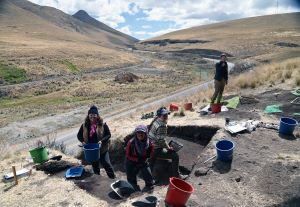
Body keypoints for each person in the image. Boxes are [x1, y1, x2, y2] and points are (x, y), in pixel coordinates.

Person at [148, 107, 185, 179]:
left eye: (166, 114)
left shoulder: (156, 121)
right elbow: (161, 140)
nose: (166, 116)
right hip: (156, 149)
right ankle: (177, 176)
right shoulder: (162, 125)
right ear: (159, 116)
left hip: (150, 147)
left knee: (151, 163)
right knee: (175, 156)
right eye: (164, 115)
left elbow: (158, 138)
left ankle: (149, 179)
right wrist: (168, 147)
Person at [82, 105, 116, 179]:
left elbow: (108, 135)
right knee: (95, 165)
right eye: (91, 115)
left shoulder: (103, 125)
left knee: (106, 163)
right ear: (88, 115)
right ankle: (98, 180)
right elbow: (79, 135)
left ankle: (113, 178)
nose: (92, 116)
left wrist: (102, 141)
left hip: (102, 148)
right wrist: (82, 141)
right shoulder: (84, 125)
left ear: (97, 115)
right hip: (92, 150)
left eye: (94, 115)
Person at [125, 125, 154, 192]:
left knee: (146, 171)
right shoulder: (131, 143)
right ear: (136, 133)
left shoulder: (150, 144)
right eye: (138, 132)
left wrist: (145, 160)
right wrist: (137, 160)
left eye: (142, 133)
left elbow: (150, 155)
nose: (140, 134)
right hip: (131, 160)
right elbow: (127, 155)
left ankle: (149, 185)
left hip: (142, 159)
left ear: (145, 133)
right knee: (131, 175)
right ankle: (134, 187)